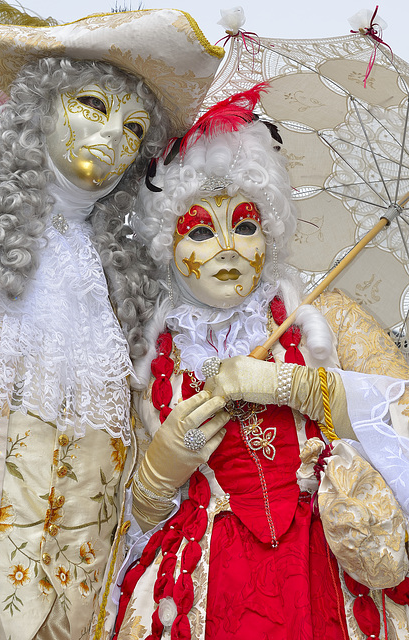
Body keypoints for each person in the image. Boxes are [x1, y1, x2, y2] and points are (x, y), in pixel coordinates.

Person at [112, 86, 409, 640]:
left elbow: (405, 415)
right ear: (167, 243)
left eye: (243, 224)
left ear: (268, 233)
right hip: (203, 587)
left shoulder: (326, 318)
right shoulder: (147, 358)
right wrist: (159, 469)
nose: (227, 246)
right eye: (201, 230)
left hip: (328, 567)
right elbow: (116, 519)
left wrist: (297, 386)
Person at [0, 9, 224, 640]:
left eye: (135, 126)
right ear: (41, 103)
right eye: (93, 104)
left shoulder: (120, 283)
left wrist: (160, 468)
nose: (114, 136)